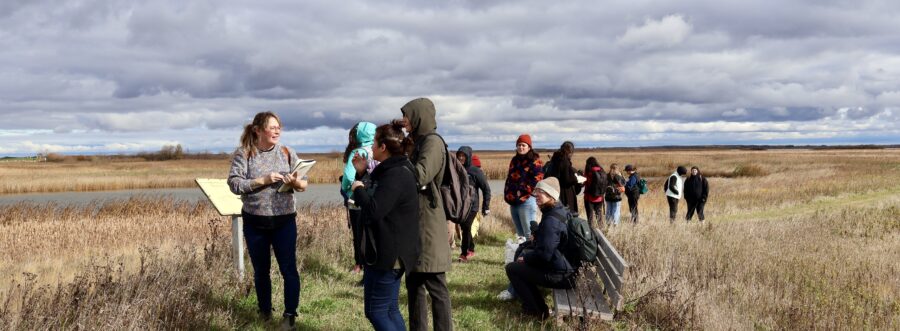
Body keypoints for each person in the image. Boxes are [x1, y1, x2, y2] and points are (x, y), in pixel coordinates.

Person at [227, 111, 308, 329]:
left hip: (284, 221)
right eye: (272, 127)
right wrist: (262, 180)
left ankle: (290, 315)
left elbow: (304, 184)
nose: (277, 131)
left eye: (278, 127)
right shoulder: (244, 154)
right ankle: (264, 312)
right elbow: (234, 184)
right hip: (255, 222)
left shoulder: (287, 152)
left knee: (289, 269)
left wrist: (295, 182)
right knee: (261, 271)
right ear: (258, 130)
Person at [350, 121, 421, 331]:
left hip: (389, 255)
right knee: (389, 310)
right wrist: (362, 174)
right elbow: (381, 196)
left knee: (376, 311)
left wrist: (358, 189)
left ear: (383, 147)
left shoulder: (396, 174)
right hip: (390, 253)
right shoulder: (394, 169)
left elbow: (374, 209)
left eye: (373, 142)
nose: (370, 147)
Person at [399, 98, 453, 331]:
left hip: (428, 222)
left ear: (419, 116)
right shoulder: (418, 142)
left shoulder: (432, 143)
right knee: (414, 283)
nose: (404, 121)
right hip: (416, 220)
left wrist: (394, 165)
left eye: (407, 116)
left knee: (435, 284)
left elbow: (420, 175)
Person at [504, 177, 576, 319]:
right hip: (566, 268)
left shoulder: (551, 220)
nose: (536, 194)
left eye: (540, 192)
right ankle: (530, 303)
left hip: (562, 275)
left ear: (551, 195)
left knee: (513, 268)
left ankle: (538, 310)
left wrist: (526, 258)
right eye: (536, 191)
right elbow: (553, 242)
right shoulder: (557, 210)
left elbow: (544, 255)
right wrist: (538, 235)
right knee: (523, 253)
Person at [341, 122, 378, 278]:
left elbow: (349, 177)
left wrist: (348, 189)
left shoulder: (358, 152)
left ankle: (360, 266)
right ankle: (370, 267)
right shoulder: (377, 150)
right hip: (375, 199)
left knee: (358, 235)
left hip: (358, 200)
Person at [503, 134, 544, 243]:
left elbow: (537, 180)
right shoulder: (514, 160)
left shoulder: (535, 161)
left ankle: (532, 257)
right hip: (513, 201)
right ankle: (522, 257)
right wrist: (508, 191)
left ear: (529, 147)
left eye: (523, 145)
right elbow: (509, 178)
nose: (521, 147)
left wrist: (521, 190)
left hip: (527, 200)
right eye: (519, 145)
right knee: (520, 234)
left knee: (529, 233)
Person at [456, 146, 491, 262]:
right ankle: (471, 248)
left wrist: (485, 207)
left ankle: (464, 254)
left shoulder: (475, 171)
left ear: (468, 157)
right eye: (459, 155)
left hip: (472, 206)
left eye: (463, 156)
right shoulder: (455, 169)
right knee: (464, 228)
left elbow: (486, 189)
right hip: (460, 205)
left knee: (466, 227)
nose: (461, 158)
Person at [547, 141, 579, 214]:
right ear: (570, 151)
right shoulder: (564, 161)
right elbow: (567, 180)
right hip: (565, 193)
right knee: (567, 215)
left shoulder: (554, 160)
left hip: (555, 192)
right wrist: (576, 179)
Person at [583, 157, 605, 229]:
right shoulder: (602, 171)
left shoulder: (589, 173)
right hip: (600, 198)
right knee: (599, 215)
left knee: (590, 217)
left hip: (589, 198)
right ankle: (601, 230)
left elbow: (584, 183)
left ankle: (591, 231)